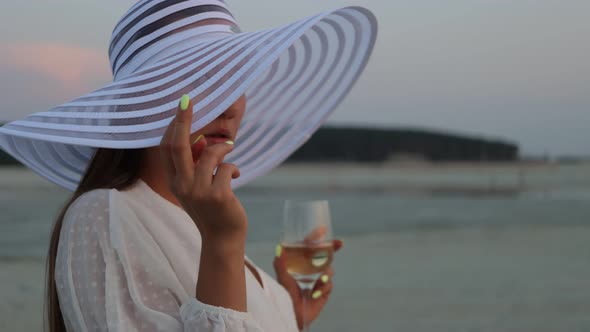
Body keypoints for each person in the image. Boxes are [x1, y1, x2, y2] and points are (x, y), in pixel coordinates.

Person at [0, 1, 377, 331]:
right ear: (141, 102)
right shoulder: (105, 215)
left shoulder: (196, 221)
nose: (230, 107)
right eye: (204, 80)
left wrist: (291, 313)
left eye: (236, 81)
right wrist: (223, 244)